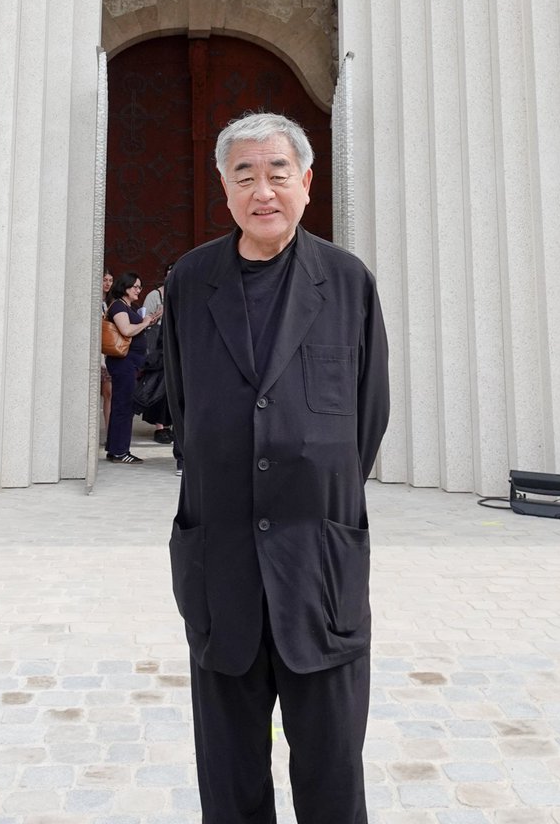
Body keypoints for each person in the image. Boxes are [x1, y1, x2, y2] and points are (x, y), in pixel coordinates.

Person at [163, 111, 390, 823]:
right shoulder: (191, 281)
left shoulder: (346, 282)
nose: (263, 191)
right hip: (222, 565)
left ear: (308, 182)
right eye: (245, 176)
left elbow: (368, 416)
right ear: (225, 188)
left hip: (319, 571)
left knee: (332, 777)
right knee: (229, 782)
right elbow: (183, 407)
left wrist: (310, 473)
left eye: (277, 173)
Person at [105, 272, 162, 464]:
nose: (139, 290)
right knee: (124, 406)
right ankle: (120, 451)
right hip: (123, 362)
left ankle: (115, 449)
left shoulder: (129, 307)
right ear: (125, 287)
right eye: (135, 286)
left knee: (123, 405)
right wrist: (144, 322)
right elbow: (126, 330)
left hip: (131, 362)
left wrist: (149, 320)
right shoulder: (119, 306)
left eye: (140, 286)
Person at [141, 264, 174, 444]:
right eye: (168, 274)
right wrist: (157, 316)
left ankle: (172, 424)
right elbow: (145, 321)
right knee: (158, 385)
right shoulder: (155, 295)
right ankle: (160, 427)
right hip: (158, 346)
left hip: (175, 344)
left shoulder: (183, 293)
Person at [99, 269, 114, 444]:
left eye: (110, 280)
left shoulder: (110, 303)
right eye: (105, 279)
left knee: (108, 392)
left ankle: (110, 432)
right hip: (96, 351)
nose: (107, 283)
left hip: (107, 351)